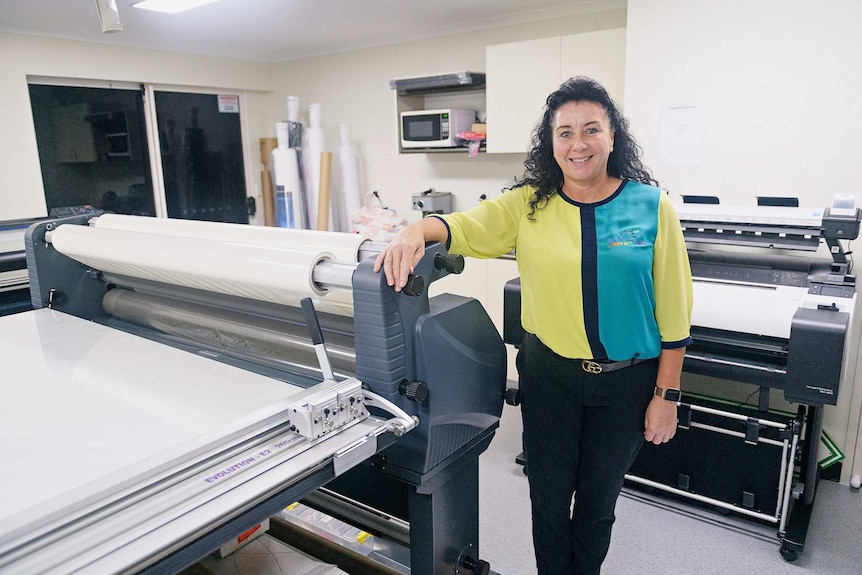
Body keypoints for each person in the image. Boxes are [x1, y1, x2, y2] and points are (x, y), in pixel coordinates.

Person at [374, 76, 693, 575]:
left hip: (628, 382)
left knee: (596, 503)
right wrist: (415, 230)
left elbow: (674, 312)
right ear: (551, 143)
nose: (578, 144)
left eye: (591, 130)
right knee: (546, 498)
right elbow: (463, 228)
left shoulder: (652, 207)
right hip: (552, 378)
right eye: (564, 133)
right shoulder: (529, 204)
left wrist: (666, 396)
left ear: (613, 136)